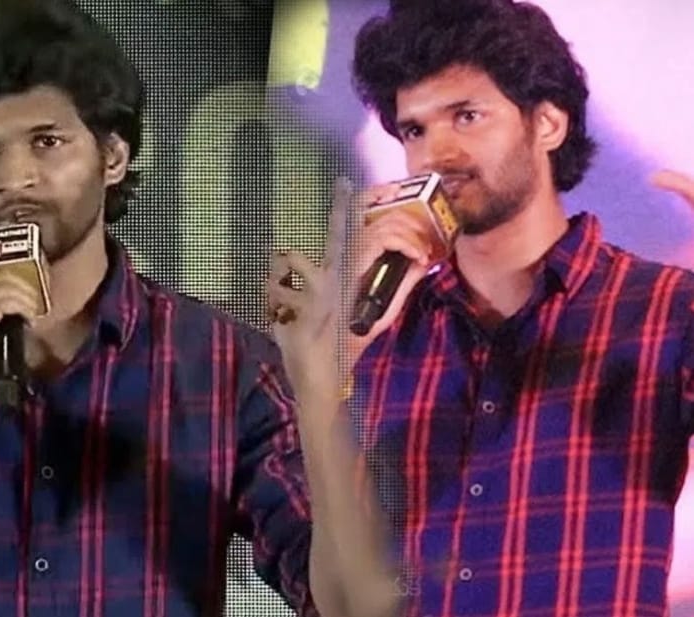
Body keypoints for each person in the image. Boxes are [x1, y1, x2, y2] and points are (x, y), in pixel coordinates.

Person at [0, 1, 397, 616]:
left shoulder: (224, 364)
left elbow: (354, 606)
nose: (14, 178)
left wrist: (318, 399)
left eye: (47, 141)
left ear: (112, 156)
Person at [265, 0, 694, 615]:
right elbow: (340, 602)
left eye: (466, 116)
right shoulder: (380, 334)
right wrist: (323, 374)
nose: (435, 153)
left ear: (547, 124)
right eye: (414, 131)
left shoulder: (662, 308)